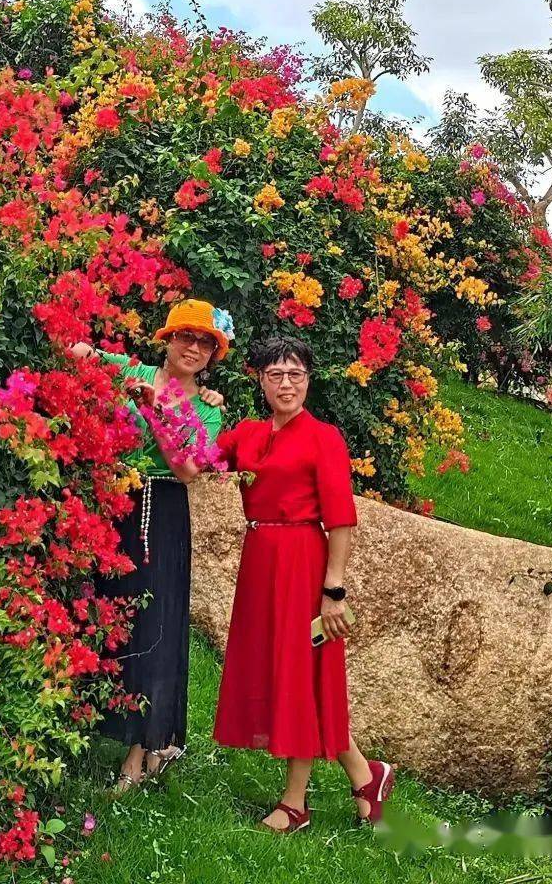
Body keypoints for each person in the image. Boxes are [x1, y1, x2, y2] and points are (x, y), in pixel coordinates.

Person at [211, 335, 394, 831]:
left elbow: (341, 519)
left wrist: (333, 590)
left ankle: (295, 804)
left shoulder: (324, 437)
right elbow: (199, 460)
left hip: (305, 567)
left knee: (304, 673)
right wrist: (198, 405)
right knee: (290, 673)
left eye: (295, 374)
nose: (286, 384)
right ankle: (365, 774)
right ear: (261, 380)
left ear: (308, 381)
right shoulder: (246, 434)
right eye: (276, 374)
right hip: (260, 563)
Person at [71, 299, 233, 791]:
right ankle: (98, 727)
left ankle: (139, 755)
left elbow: (186, 469)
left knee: (155, 631)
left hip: (160, 511)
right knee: (107, 616)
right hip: (115, 503)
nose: (194, 347)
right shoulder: (130, 370)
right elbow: (76, 354)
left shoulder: (207, 408)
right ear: (167, 339)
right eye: (186, 336)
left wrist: (157, 411)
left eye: (206, 342)